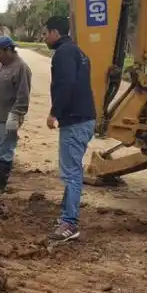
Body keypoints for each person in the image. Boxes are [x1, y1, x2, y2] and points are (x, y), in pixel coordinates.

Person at [44, 15, 96, 242]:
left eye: (45, 33)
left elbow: (67, 84)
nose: (44, 37)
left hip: (75, 121)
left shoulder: (63, 53)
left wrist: (54, 112)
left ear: (55, 32)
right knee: (71, 170)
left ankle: (70, 223)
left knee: (71, 172)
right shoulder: (78, 52)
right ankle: (66, 216)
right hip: (84, 119)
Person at [0, 35, 32, 199]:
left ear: (9, 50)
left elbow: (23, 96)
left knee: (5, 150)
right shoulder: (0, 64)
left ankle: (0, 185)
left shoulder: (21, 68)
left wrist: (16, 116)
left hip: (9, 118)